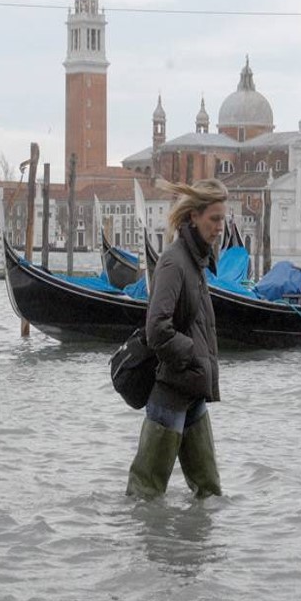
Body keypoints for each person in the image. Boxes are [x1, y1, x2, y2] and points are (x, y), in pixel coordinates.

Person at [126, 178, 227, 499]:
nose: (220, 227)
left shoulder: (196, 263)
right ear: (193, 217)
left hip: (194, 392)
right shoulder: (173, 262)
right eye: (214, 219)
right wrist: (193, 356)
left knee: (210, 493)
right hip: (170, 394)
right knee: (145, 496)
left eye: (223, 219)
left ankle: (200, 550)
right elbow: (156, 328)